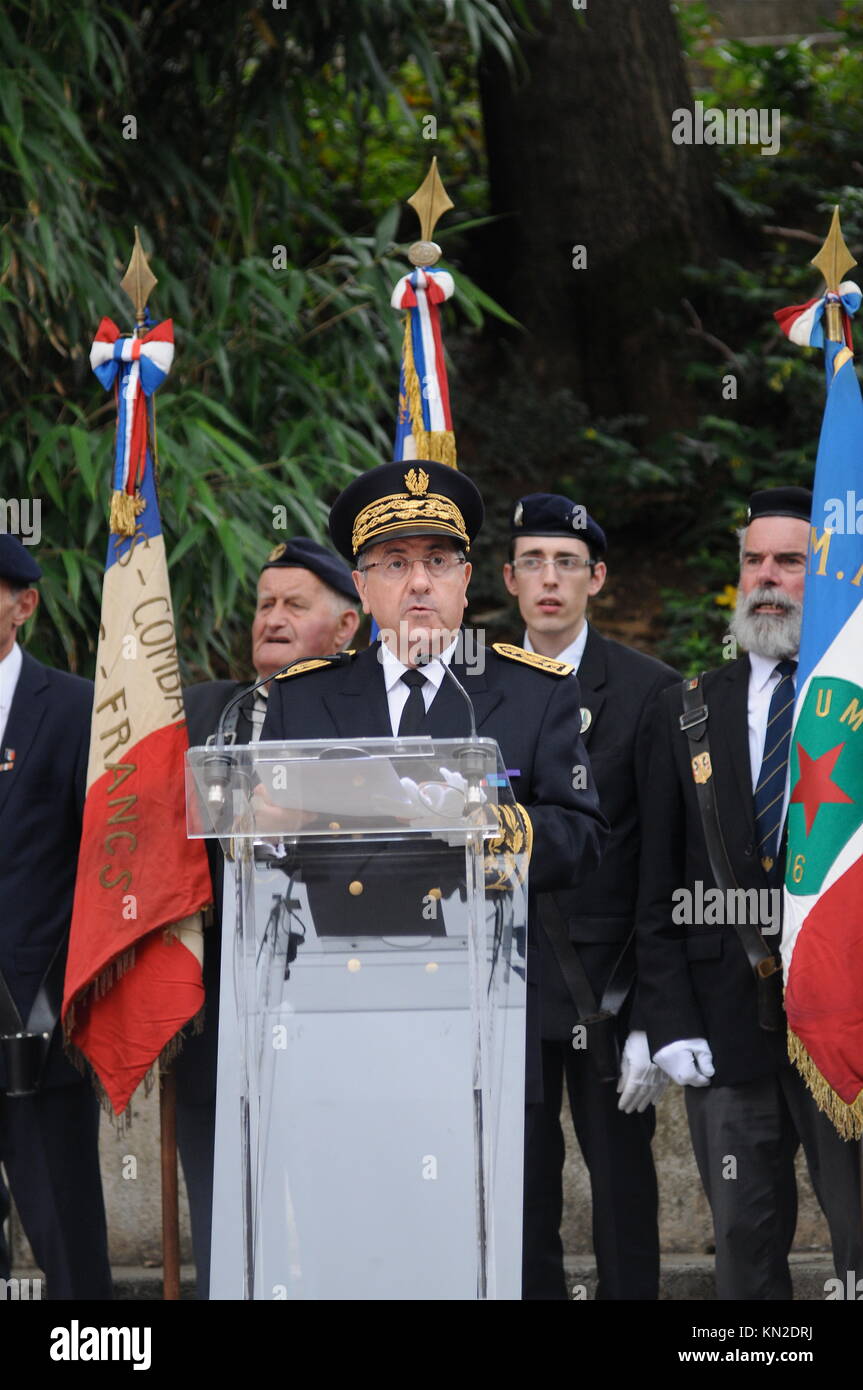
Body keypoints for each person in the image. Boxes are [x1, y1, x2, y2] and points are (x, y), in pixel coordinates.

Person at [261, 461, 608, 1120]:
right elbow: (270, 849)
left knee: (512, 1221)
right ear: (360, 588)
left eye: (439, 561)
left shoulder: (533, 692)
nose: (419, 581)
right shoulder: (303, 698)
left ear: (466, 582)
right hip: (339, 1008)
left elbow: (583, 837)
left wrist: (489, 826)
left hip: (485, 1007)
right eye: (394, 564)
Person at [637, 486, 863, 1300]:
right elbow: (655, 882)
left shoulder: (858, 706)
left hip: (846, 1017)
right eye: (753, 561)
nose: (766, 578)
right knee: (740, 1242)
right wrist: (662, 1020)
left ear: (828, 572)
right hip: (724, 1025)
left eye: (789, 561)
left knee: (857, 1243)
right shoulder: (685, 707)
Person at [503, 492, 678, 1300]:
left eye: (566, 563)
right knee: (522, 1191)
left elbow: (660, 855)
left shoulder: (649, 690)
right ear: (506, 579)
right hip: (508, 981)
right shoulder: (480, 688)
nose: (549, 579)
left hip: (605, 988)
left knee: (621, 1190)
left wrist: (652, 1012)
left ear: (596, 578)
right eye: (532, 563)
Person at [177, 537, 359, 1298]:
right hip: (210, 996)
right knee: (221, 1205)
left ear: (347, 627)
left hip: (328, 999)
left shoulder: (368, 718)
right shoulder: (195, 711)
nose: (271, 619)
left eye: (295, 605)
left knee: (329, 1205)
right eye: (263, 605)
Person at [0, 535, 112, 1300]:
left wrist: (70, 991)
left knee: (67, 1233)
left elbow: (106, 865)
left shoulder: (77, 707)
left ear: (24, 603)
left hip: (41, 1013)